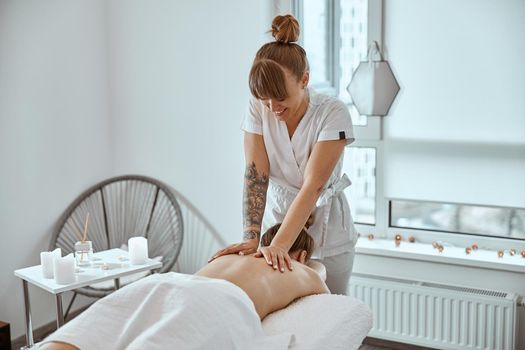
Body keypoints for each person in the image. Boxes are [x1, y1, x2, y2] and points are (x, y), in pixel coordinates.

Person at [209, 14, 357, 295]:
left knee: (333, 310)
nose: (272, 107)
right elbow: (256, 173)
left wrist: (280, 245)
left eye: (281, 98)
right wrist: (251, 238)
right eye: (265, 99)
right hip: (277, 224)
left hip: (328, 232)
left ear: (305, 80)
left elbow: (313, 185)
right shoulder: (258, 104)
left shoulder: (332, 112)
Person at [40, 224, 328, 350]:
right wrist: (308, 263)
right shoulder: (298, 269)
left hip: (167, 282)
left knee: (88, 335)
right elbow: (324, 285)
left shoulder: (235, 253)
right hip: (217, 302)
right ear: (301, 256)